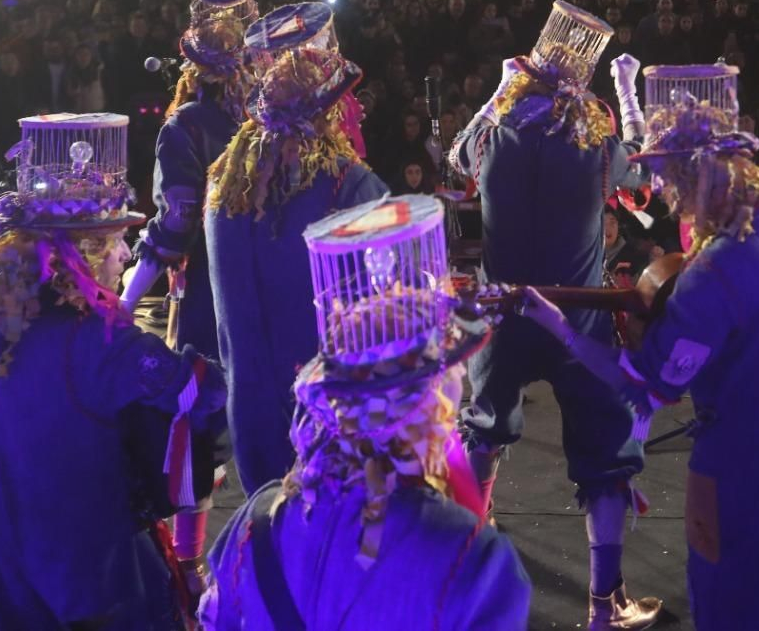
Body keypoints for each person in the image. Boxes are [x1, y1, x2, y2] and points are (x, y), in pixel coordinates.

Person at [519, 94, 759, 631]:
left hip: (744, 461)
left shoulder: (713, 274)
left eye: (670, 180)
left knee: (728, 603)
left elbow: (642, 386)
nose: (668, 198)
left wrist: (562, 331)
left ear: (696, 174)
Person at [0, 112, 227, 630]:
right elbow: (197, 391)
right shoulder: (95, 338)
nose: (123, 253)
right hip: (98, 587)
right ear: (79, 250)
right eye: (114, 238)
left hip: (11, 586)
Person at [200, 195, 531, 629]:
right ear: (430, 399)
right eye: (450, 370)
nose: (462, 381)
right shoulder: (475, 562)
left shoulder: (256, 520)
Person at [447, 0, 659, 630]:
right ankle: (604, 603)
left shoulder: (493, 133)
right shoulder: (594, 139)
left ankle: (462, 569)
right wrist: (628, 89)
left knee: (482, 431)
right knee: (604, 453)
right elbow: (644, 173)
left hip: (503, 310)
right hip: (577, 316)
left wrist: (496, 93)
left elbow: (457, 158)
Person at [206, 2, 388, 493]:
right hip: (329, 417)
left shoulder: (224, 183)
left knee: (270, 544)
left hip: (250, 415)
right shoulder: (345, 183)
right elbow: (398, 296)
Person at [120, 0, 258, 596]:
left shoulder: (186, 127)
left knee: (195, 422)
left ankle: (190, 561)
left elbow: (175, 221)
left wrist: (121, 297)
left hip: (211, 292)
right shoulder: (274, 119)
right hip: (278, 290)